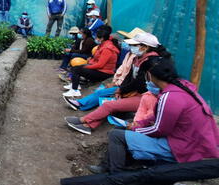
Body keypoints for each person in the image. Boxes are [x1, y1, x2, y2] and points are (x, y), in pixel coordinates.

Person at [87, 58, 219, 174]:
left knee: (116, 135)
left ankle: (115, 175)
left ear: (149, 75)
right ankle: (109, 166)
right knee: (122, 131)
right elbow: (159, 116)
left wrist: (134, 128)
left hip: (181, 147)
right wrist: (141, 123)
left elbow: (159, 130)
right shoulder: (183, 88)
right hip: (191, 144)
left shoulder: (170, 97)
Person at [64, 33, 169, 134]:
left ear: (145, 47)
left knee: (110, 105)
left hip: (145, 97)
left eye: (134, 45)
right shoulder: (138, 58)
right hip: (133, 92)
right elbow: (129, 76)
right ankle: (88, 125)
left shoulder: (152, 62)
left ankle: (84, 120)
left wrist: (122, 90)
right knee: (111, 102)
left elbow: (140, 83)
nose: (130, 47)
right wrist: (121, 89)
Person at [63, 26, 120, 98]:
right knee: (76, 67)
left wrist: (87, 66)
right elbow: (96, 58)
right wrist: (89, 62)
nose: (95, 39)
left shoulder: (107, 49)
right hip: (99, 69)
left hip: (104, 73)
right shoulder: (103, 45)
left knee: (77, 69)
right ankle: (75, 85)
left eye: (97, 37)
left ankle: (75, 91)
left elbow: (100, 65)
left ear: (102, 38)